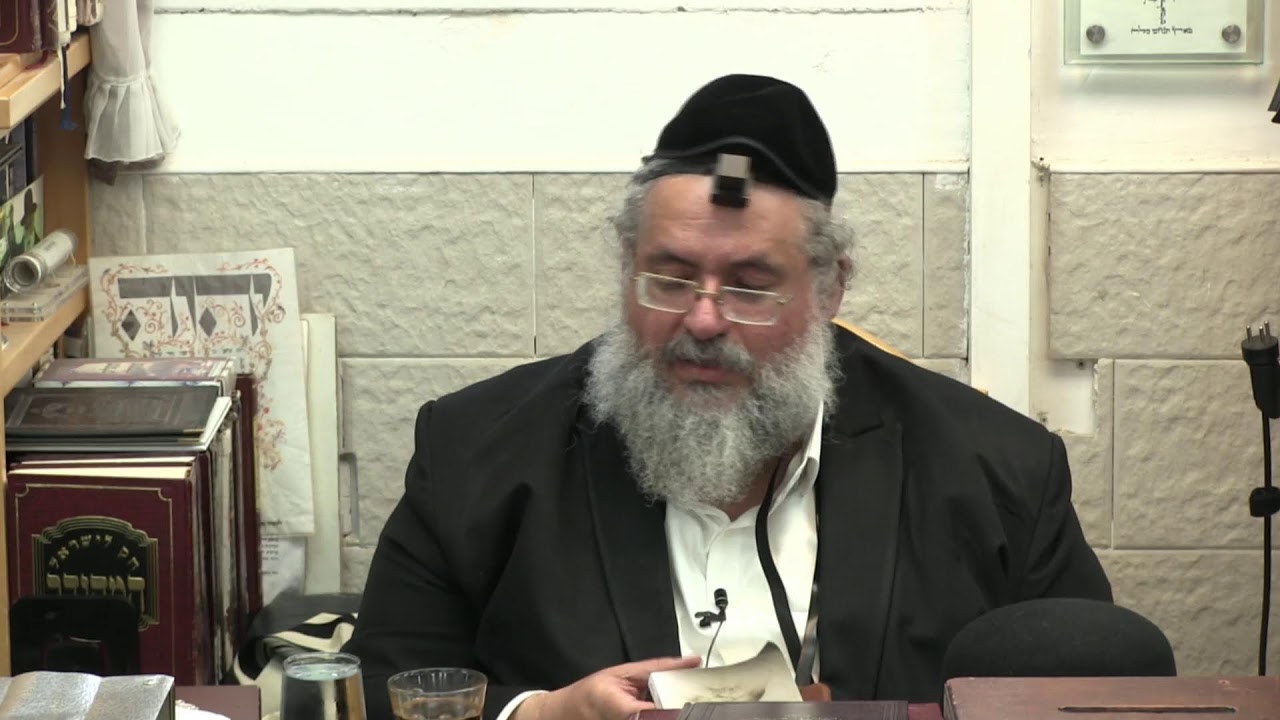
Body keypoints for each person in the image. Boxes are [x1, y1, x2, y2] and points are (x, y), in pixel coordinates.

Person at [342, 73, 1112, 720]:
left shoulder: (998, 472)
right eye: (671, 278)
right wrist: (537, 714)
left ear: (829, 288)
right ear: (627, 267)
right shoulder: (476, 452)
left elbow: (1094, 697)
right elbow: (375, 692)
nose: (704, 321)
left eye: (749, 287)